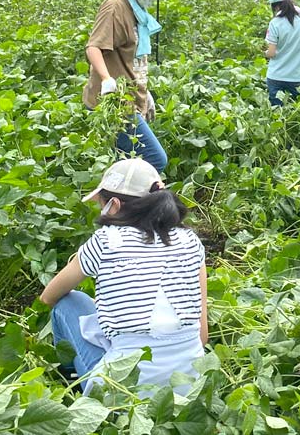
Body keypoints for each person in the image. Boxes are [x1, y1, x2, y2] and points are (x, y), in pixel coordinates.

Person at [40, 158, 208, 394]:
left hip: (120, 392)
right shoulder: (190, 240)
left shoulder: (106, 240)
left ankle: (72, 381)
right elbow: (202, 335)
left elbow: (48, 297)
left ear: (115, 205)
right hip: (186, 387)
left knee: (68, 303)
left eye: (101, 203)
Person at [83, 0, 175, 171]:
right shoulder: (116, 6)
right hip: (114, 103)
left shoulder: (137, 12)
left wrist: (145, 92)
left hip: (131, 98)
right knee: (154, 160)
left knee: (126, 163)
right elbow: (93, 47)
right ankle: (128, 203)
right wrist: (106, 80)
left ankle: (119, 202)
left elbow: (132, 59)